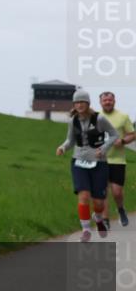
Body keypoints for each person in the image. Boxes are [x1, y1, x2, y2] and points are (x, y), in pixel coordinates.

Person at [56, 89, 119, 241]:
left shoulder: (99, 119)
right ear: (74, 105)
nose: (79, 105)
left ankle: (97, 218)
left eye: (82, 102)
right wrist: (63, 147)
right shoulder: (73, 121)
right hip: (78, 162)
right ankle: (86, 230)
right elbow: (70, 140)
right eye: (76, 102)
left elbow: (114, 135)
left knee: (98, 202)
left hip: (99, 163)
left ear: (88, 103)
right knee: (83, 195)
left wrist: (103, 149)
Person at [99, 91, 136, 228]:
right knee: (103, 191)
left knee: (117, 192)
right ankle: (105, 219)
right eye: (105, 100)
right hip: (100, 160)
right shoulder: (96, 117)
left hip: (118, 160)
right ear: (100, 102)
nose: (107, 102)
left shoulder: (123, 116)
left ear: (114, 101)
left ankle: (121, 209)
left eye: (110, 100)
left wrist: (123, 141)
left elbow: (132, 135)